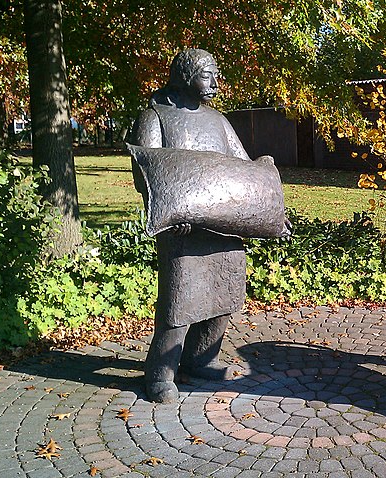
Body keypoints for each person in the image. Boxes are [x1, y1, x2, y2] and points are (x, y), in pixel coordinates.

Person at [130, 49, 250, 403]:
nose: (215, 83)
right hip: (180, 227)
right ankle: (161, 373)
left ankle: (200, 360)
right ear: (185, 77)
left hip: (221, 226)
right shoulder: (155, 117)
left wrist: (266, 197)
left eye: (216, 75)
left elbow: (242, 166)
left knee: (225, 294)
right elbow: (145, 170)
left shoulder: (218, 121)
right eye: (207, 75)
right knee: (179, 302)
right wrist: (171, 211)